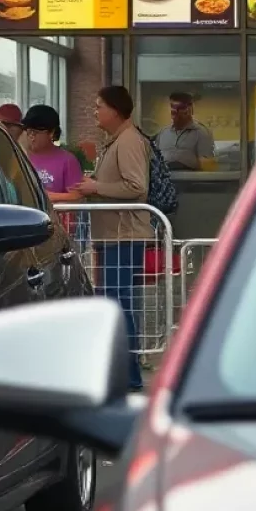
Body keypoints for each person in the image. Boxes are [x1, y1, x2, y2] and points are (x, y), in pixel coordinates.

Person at [71, 85, 152, 390]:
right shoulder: (116, 141)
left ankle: (129, 376)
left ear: (115, 110)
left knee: (119, 306)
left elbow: (136, 187)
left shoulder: (129, 141)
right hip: (112, 235)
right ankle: (121, 372)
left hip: (124, 236)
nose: (94, 112)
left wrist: (96, 188)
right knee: (114, 304)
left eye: (99, 106)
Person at [21, 104, 83, 203]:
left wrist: (42, 196)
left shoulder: (67, 160)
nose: (31, 137)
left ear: (51, 133)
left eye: (35, 132)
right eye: (28, 131)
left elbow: (76, 196)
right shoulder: (20, 157)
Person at [155, 91, 215, 170]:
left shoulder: (201, 133)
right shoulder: (163, 133)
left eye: (180, 108)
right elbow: (154, 163)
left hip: (190, 180)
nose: (174, 111)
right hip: (166, 180)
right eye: (172, 106)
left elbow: (209, 169)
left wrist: (185, 159)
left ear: (189, 110)